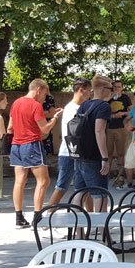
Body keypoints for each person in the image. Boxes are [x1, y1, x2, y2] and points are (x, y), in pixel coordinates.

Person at [8, 79, 62, 228]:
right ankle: (37, 217)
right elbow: (45, 129)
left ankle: (19, 217)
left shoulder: (16, 103)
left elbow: (10, 128)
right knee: (43, 181)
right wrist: (55, 118)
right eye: (44, 95)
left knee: (19, 181)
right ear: (38, 89)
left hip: (16, 145)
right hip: (31, 145)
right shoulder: (35, 105)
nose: (44, 99)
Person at [47, 78, 92, 206]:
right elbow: (74, 132)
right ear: (81, 90)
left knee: (86, 188)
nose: (90, 94)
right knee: (62, 187)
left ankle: (93, 217)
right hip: (69, 153)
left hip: (79, 153)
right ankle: (47, 215)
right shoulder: (72, 108)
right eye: (89, 91)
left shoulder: (81, 107)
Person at [72, 74, 113, 212]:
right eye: (110, 88)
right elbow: (99, 131)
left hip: (80, 155)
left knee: (80, 193)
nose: (111, 91)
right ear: (102, 89)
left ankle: (78, 232)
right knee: (100, 195)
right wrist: (105, 158)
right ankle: (101, 231)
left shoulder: (84, 105)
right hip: (94, 157)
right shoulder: (104, 106)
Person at [107, 80, 132, 189]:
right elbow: (102, 109)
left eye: (119, 87)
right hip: (109, 128)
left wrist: (123, 114)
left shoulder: (125, 98)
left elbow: (131, 112)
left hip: (121, 128)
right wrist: (112, 115)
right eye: (115, 87)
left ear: (122, 87)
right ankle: (106, 174)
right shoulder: (108, 97)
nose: (117, 88)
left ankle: (120, 175)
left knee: (121, 153)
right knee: (108, 153)